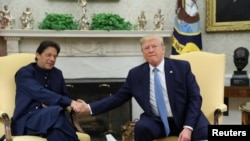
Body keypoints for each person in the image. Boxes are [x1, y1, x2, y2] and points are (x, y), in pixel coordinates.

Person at [78, 34, 209, 141]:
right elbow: (117, 98)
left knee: (205, 134)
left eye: (154, 46)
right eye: (146, 48)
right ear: (142, 52)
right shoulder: (136, 74)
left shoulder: (182, 67)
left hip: (186, 117)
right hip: (157, 121)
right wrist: (89, 108)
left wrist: (188, 127)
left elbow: (195, 98)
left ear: (163, 49)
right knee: (141, 127)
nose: (150, 50)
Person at [11, 41, 84, 141]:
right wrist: (70, 102)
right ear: (38, 54)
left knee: (56, 132)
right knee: (56, 111)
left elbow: (65, 96)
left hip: (52, 121)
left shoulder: (57, 74)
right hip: (27, 120)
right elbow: (39, 92)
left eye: (55, 56)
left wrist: (74, 103)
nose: (52, 59)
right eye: (48, 55)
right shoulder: (24, 73)